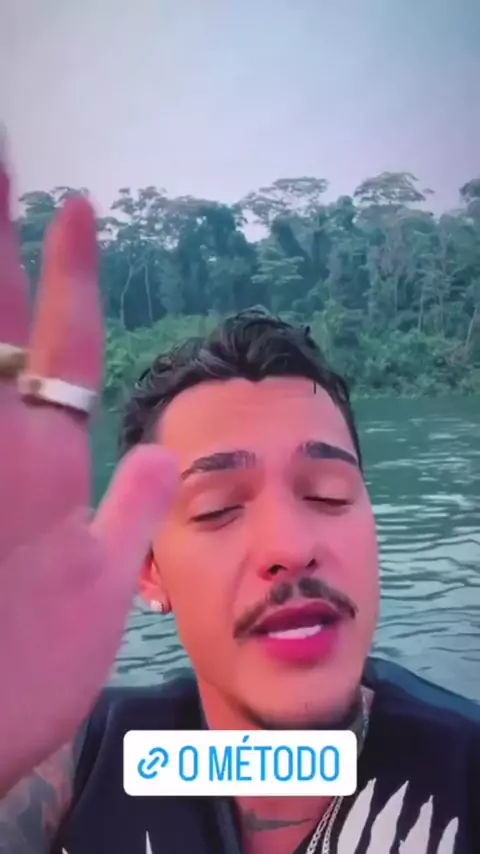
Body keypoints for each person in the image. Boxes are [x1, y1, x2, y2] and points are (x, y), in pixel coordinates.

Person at [0, 159, 479, 854]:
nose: (289, 545)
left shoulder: (464, 773)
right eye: (218, 508)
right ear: (149, 571)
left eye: (327, 494)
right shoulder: (78, 766)